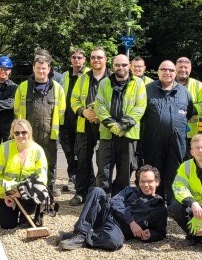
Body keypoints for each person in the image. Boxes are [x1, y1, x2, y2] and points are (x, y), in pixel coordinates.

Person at [58, 166, 168, 251]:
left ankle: (81, 236)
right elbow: (115, 201)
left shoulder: (159, 208)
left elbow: (161, 232)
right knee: (97, 191)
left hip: (118, 229)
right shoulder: (130, 190)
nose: (146, 185)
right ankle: (80, 234)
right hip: (106, 214)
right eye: (142, 181)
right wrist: (131, 222)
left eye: (149, 181)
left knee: (113, 242)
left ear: (157, 182)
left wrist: (151, 235)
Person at [94, 53, 147, 196]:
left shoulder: (138, 83)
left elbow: (140, 107)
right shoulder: (104, 83)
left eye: (124, 65)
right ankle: (103, 202)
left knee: (125, 173)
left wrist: (122, 125)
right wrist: (112, 125)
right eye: (117, 65)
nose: (121, 67)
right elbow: (99, 106)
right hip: (107, 134)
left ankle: (119, 202)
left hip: (128, 134)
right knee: (103, 172)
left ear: (129, 66)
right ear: (112, 66)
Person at [139, 60, 193, 199]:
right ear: (158, 72)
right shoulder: (147, 90)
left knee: (175, 172)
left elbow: (189, 112)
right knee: (153, 173)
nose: (167, 72)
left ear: (175, 72)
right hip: (152, 141)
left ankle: (173, 203)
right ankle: (154, 202)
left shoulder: (184, 92)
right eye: (163, 69)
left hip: (176, 143)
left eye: (171, 70)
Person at [14, 52, 66, 192]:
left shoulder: (57, 88)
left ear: (49, 69)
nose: (41, 71)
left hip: (49, 134)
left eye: (44, 68)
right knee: (28, 161)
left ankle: (49, 188)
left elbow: (61, 111)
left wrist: (56, 130)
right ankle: (28, 188)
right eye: (38, 68)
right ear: (33, 68)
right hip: (28, 134)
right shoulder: (23, 87)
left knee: (50, 162)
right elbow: (17, 109)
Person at [0, 118, 50, 229]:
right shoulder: (4, 148)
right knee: (7, 225)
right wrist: (5, 194)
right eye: (17, 133)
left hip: (28, 192)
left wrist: (22, 192)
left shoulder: (38, 150)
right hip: (8, 192)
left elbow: (41, 179)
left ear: (30, 132)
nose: (20, 135)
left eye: (24, 132)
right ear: (12, 133)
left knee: (25, 224)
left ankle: (29, 216)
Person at [69, 48, 109, 206]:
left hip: (105, 127)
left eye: (99, 57)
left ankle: (101, 195)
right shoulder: (83, 78)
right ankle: (81, 193)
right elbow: (74, 100)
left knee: (103, 163)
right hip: (84, 126)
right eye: (93, 57)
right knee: (83, 161)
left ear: (105, 59)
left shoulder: (112, 78)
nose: (96, 60)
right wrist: (83, 111)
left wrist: (103, 115)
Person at [59, 49, 86, 193]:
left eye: (79, 57)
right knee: (69, 153)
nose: (76, 60)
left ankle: (83, 180)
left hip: (82, 120)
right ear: (70, 59)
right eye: (74, 57)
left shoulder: (88, 75)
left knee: (81, 153)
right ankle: (73, 178)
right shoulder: (65, 75)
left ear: (84, 59)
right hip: (66, 121)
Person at [176, 56, 202, 142]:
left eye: (186, 67)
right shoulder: (168, 83)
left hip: (192, 133)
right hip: (171, 131)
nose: (183, 70)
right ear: (175, 68)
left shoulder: (198, 85)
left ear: (190, 69)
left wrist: (192, 109)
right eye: (180, 67)